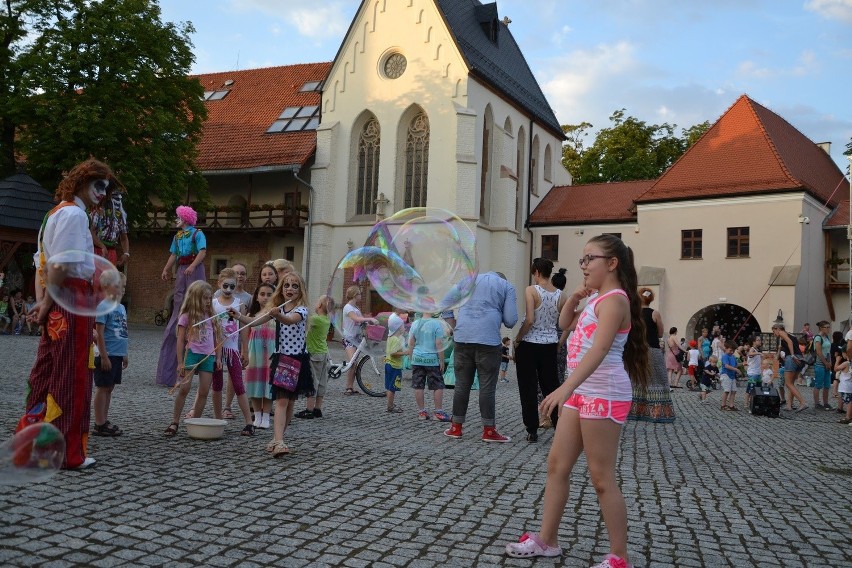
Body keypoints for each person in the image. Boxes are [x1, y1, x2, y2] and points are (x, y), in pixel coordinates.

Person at [504, 234, 649, 567]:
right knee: (557, 466)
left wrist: (565, 387)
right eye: (582, 260)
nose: (583, 266)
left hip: (603, 392)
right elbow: (562, 324)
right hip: (582, 391)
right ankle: (548, 541)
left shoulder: (615, 300)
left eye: (589, 259)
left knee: (601, 477)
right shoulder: (597, 298)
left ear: (612, 263)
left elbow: (599, 351)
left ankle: (619, 557)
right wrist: (574, 299)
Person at [23, 158, 122, 469]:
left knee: (46, 374)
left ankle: (36, 444)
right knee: (73, 375)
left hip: (59, 299)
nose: (103, 193)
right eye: (99, 185)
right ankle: (66, 453)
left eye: (106, 188)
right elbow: (61, 265)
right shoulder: (75, 215)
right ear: (81, 181)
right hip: (71, 299)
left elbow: (42, 262)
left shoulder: (55, 213)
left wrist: (42, 302)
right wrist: (48, 303)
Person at [232, 272, 314, 457]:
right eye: (286, 285)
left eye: (294, 286)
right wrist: (238, 316)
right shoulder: (277, 308)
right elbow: (254, 322)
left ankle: (278, 438)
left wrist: (278, 315)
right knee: (282, 401)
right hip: (282, 360)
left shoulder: (301, 310)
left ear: (301, 290)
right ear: (281, 289)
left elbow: (290, 320)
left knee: (290, 403)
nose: (290, 289)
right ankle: (279, 441)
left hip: (298, 360)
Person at [444, 271, 518, 442]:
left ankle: (456, 428)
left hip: (462, 338)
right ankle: (489, 431)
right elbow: (510, 320)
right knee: (487, 387)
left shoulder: (467, 280)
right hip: (489, 341)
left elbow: (445, 303)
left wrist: (454, 325)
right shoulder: (507, 286)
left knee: (461, 385)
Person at [514, 258, 565, 442]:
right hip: (550, 344)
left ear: (536, 272)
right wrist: (559, 343)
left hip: (529, 344)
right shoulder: (561, 295)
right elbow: (565, 323)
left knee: (527, 387)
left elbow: (529, 319)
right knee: (551, 387)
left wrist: (518, 338)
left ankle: (532, 429)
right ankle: (559, 424)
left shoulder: (531, 290)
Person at [156, 206, 207, 387]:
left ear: (185, 218)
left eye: (178, 217)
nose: (176, 220)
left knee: (196, 301)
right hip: (181, 271)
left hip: (194, 271)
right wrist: (166, 268)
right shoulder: (177, 237)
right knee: (178, 308)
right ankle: (167, 375)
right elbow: (174, 254)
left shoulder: (197, 234)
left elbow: (202, 251)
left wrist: (193, 265)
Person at [164, 281, 222, 436]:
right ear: (195, 298)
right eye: (205, 298)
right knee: (184, 389)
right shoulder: (186, 316)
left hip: (209, 356)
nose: (208, 301)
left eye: (209, 298)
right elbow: (180, 340)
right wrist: (180, 362)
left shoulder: (212, 316)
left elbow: (218, 338)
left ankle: (194, 422)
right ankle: (174, 421)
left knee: (203, 391)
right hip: (192, 354)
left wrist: (218, 358)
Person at [210, 268, 254, 435]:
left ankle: (249, 422)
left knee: (238, 384)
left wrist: (245, 350)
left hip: (232, 349)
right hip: (216, 350)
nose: (228, 290)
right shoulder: (213, 304)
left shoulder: (239, 304)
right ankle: (217, 419)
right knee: (217, 385)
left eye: (232, 286)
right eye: (225, 285)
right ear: (219, 284)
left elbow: (243, 328)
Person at [628, 287, 675, 422]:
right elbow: (660, 333)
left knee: (636, 379)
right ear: (651, 299)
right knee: (656, 379)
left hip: (636, 349)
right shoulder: (655, 313)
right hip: (652, 349)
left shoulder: (633, 313)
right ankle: (656, 412)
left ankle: (636, 411)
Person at [93, 272, 129, 437]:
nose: (122, 290)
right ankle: (99, 423)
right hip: (106, 355)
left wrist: (124, 353)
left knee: (110, 388)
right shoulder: (103, 307)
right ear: (106, 288)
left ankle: (104, 420)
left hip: (117, 355)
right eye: (118, 286)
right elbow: (99, 334)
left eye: (123, 286)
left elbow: (123, 332)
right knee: (103, 388)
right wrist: (104, 356)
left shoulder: (121, 308)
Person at [243, 282, 276, 429]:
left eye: (269, 295)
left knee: (268, 386)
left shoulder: (277, 315)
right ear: (256, 297)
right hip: (255, 353)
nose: (265, 297)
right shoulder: (251, 315)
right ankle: (257, 415)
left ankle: (266, 416)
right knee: (255, 384)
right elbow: (245, 334)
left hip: (270, 353)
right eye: (262, 294)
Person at [297, 295, 332, 419]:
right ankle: (318, 409)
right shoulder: (326, 319)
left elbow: (303, 319)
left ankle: (309, 410)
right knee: (322, 381)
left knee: (313, 381)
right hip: (323, 353)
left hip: (314, 354)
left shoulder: (317, 319)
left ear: (319, 306)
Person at [409, 312, 449, 421]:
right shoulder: (436, 324)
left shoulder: (415, 323)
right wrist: (441, 360)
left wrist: (411, 357)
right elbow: (439, 344)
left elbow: (411, 343)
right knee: (437, 385)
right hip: (431, 360)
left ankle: (422, 412)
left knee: (418, 385)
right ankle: (438, 413)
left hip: (417, 359)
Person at [341, 285, 377, 395]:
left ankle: (350, 388)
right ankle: (348, 388)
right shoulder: (348, 308)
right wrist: (369, 318)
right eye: (359, 294)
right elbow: (355, 319)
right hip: (349, 338)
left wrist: (367, 322)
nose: (361, 296)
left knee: (354, 363)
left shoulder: (356, 308)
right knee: (353, 362)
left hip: (356, 339)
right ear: (355, 295)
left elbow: (360, 321)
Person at [774, 323, 808, 413]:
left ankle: (803, 402)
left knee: (788, 384)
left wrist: (792, 355)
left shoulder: (782, 333)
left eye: (774, 331)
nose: (774, 334)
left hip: (792, 359)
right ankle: (789, 405)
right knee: (791, 383)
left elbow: (789, 342)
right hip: (800, 358)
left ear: (778, 329)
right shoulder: (791, 334)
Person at [90, 191, 130, 269]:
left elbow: (124, 237)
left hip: (111, 251)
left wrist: (126, 253)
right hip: (97, 250)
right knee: (97, 278)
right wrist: (102, 246)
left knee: (110, 279)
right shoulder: (98, 211)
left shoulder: (120, 216)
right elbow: (91, 232)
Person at [384, 313, 408, 413]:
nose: (404, 327)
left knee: (390, 386)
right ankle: (390, 406)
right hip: (394, 366)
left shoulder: (390, 337)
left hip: (389, 364)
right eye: (402, 325)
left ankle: (390, 404)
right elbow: (393, 353)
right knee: (392, 388)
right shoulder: (396, 340)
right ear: (398, 328)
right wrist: (405, 353)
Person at [552, 268, 569, 384]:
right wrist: (560, 344)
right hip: (561, 342)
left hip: (547, 340)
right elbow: (568, 326)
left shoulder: (547, 297)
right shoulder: (567, 300)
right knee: (559, 375)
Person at [812, 321, 833, 410]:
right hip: (820, 364)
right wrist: (825, 363)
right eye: (826, 327)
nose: (828, 329)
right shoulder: (818, 338)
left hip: (827, 363)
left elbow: (828, 351)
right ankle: (817, 403)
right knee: (818, 384)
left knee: (827, 384)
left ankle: (826, 403)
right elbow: (819, 352)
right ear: (821, 328)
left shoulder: (827, 337)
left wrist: (830, 362)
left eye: (829, 327)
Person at [719, 340, 741, 411]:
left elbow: (736, 365)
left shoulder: (733, 357)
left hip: (732, 376)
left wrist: (743, 364)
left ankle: (731, 406)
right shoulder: (725, 356)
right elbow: (726, 366)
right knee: (727, 391)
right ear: (725, 348)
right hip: (726, 375)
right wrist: (736, 370)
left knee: (734, 391)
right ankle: (723, 405)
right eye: (730, 350)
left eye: (733, 350)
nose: (732, 352)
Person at [744, 336, 763, 412]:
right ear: (754, 342)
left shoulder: (756, 350)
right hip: (752, 373)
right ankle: (746, 403)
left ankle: (755, 401)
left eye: (760, 340)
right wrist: (758, 353)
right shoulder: (752, 349)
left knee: (758, 388)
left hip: (757, 373)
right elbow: (750, 354)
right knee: (750, 388)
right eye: (758, 340)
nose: (760, 341)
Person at [835, 350, 852, 424]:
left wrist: (837, 360)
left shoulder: (846, 363)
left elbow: (835, 369)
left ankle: (848, 417)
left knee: (849, 401)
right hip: (849, 385)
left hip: (845, 386)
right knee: (848, 400)